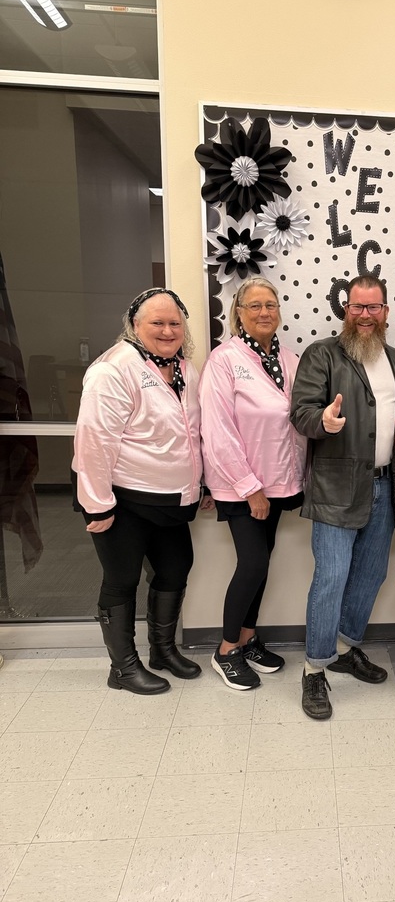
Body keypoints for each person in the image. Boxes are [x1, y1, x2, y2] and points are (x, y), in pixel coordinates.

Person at [73, 288, 210, 694]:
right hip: (123, 499)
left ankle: (162, 650)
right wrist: (97, 506)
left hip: (171, 500)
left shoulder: (185, 368)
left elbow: (193, 435)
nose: (168, 331)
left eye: (174, 323)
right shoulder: (113, 369)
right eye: (157, 323)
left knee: (175, 569)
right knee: (122, 579)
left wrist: (201, 485)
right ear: (135, 325)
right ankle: (123, 667)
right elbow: (94, 440)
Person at [290, 274, 395, 720]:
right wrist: (324, 420)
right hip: (337, 487)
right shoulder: (322, 354)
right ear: (346, 310)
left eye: (374, 307)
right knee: (331, 578)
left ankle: (346, 647)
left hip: (384, 484)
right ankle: (313, 670)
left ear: (386, 311)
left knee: (371, 575)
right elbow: (300, 414)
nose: (365, 315)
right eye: (358, 307)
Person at [199, 276, 307, 690]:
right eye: (255, 305)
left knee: (263, 564)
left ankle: (247, 638)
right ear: (239, 313)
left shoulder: (291, 359)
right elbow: (218, 430)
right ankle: (225, 649)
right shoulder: (224, 360)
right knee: (253, 564)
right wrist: (250, 488)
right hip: (243, 487)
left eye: (271, 305)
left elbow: (297, 420)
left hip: (280, 483)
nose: (265, 312)